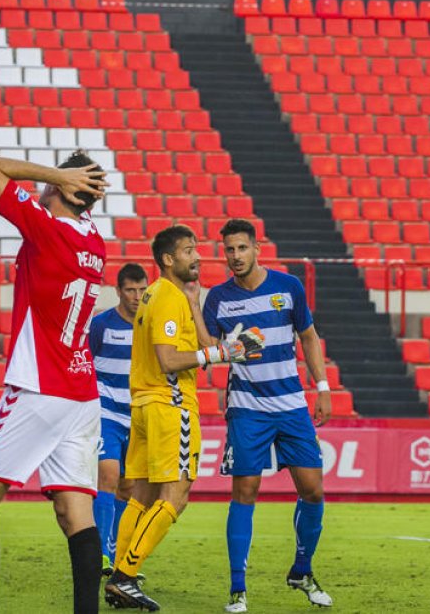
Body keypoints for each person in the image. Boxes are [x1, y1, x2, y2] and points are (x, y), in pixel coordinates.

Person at [0, 151, 108, 614]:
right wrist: (68, 183)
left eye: (54, 182)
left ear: (65, 188)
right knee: (74, 513)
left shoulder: (47, 231)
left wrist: (57, 175)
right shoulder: (96, 243)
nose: (42, 188)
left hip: (39, 386)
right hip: (83, 393)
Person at [104, 225, 265, 611]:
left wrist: (199, 309)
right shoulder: (166, 298)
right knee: (176, 496)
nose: (198, 257)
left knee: (140, 496)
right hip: (170, 406)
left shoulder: (164, 295)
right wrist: (223, 355)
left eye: (197, 250)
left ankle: (118, 578)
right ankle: (126, 576)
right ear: (168, 259)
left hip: (145, 405)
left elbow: (202, 345)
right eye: (189, 251)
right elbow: (170, 359)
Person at [202, 219, 334, 612]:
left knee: (313, 490)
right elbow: (208, 349)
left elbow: (308, 337)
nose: (236, 256)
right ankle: (238, 590)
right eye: (229, 250)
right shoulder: (218, 299)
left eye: (242, 248)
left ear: (257, 248)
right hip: (247, 407)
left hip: (292, 404)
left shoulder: (289, 287)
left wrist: (322, 387)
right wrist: (222, 343)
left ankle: (302, 571)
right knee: (245, 492)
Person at [89, 262, 149, 575]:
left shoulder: (151, 326)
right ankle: (100, 554)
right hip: (106, 412)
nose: (137, 296)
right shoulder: (101, 325)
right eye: (130, 290)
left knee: (127, 487)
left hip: (138, 416)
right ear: (119, 291)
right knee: (108, 476)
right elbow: (85, 365)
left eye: (142, 290)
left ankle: (118, 553)